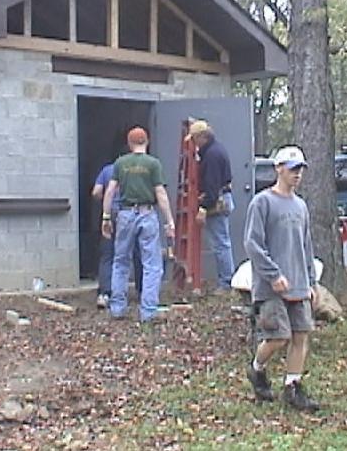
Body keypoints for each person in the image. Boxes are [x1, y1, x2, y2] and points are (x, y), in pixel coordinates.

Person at [243, 145, 320, 412]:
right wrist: (273, 275)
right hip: (271, 287)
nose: (297, 174)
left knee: (301, 334)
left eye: (300, 169)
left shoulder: (300, 206)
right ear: (279, 169)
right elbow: (253, 244)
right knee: (278, 337)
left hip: (299, 283)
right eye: (292, 169)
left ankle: (293, 386)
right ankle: (257, 368)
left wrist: (311, 282)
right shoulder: (262, 202)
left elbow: (306, 245)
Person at [102, 127, 175, 322]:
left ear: (129, 143)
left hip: (125, 214)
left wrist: (106, 217)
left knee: (120, 261)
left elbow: (110, 191)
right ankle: (148, 311)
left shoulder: (120, 163)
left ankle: (117, 308)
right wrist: (169, 220)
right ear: (147, 142)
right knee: (152, 264)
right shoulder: (153, 164)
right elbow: (160, 193)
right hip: (147, 213)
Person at [186, 120, 235, 293]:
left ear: (201, 137)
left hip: (217, 201)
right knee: (222, 242)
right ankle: (226, 280)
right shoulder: (215, 150)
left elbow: (212, 186)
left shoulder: (212, 155)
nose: (193, 143)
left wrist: (203, 207)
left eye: (194, 139)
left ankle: (226, 282)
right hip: (221, 198)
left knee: (221, 243)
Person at [92, 162, 143, 308]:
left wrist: (105, 203)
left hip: (112, 215)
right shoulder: (138, 169)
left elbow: (96, 192)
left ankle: (106, 294)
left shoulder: (107, 169)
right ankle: (142, 291)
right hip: (132, 214)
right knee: (137, 253)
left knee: (108, 255)